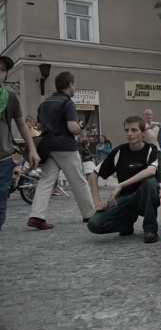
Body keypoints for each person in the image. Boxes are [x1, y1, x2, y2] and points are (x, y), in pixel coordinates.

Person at [27, 72, 95, 230]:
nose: (75, 87)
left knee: (45, 181)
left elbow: (39, 126)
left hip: (47, 145)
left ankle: (36, 216)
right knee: (78, 181)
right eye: (75, 84)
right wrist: (79, 126)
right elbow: (72, 128)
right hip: (65, 145)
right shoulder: (68, 102)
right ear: (70, 84)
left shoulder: (44, 103)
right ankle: (89, 214)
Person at [87, 116, 160, 243]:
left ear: (143, 133)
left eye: (134, 130)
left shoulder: (151, 149)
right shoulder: (119, 151)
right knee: (94, 224)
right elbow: (93, 174)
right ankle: (126, 223)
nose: (129, 134)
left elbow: (151, 170)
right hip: (124, 200)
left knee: (150, 183)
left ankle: (150, 229)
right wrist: (97, 201)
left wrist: (121, 185)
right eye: (127, 130)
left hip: (143, 198)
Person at [0, 56, 40, 232]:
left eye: (2, 70)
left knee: (0, 206)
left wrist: (31, 149)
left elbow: (22, 124)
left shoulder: (10, 96)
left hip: (3, 159)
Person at [142, 109, 161, 182]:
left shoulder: (156, 124)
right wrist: (148, 128)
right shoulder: (142, 125)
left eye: (150, 114)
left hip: (158, 149)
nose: (149, 116)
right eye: (147, 114)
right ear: (143, 116)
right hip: (146, 149)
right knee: (148, 167)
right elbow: (140, 134)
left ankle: (158, 183)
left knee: (159, 167)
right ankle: (148, 182)